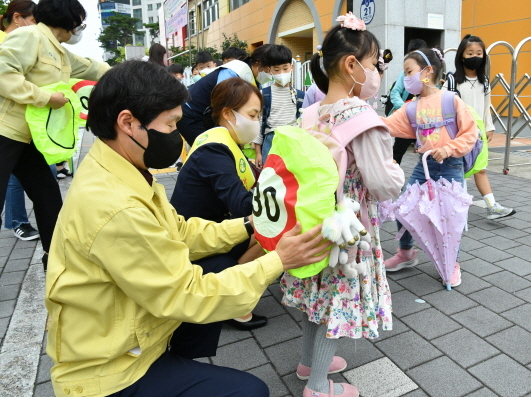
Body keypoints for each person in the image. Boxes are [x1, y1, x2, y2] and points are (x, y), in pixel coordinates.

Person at [45, 60, 331, 397]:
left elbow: (178, 231)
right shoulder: (115, 206)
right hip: (109, 371)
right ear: (127, 122)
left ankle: (177, 363)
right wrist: (278, 262)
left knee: (217, 265)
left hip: (131, 333)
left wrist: (246, 225)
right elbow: (186, 294)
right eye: (171, 125)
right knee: (250, 392)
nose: (177, 136)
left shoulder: (121, 167)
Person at [282, 13, 404, 397]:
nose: (377, 73)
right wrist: (397, 170)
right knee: (336, 301)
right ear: (351, 65)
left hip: (313, 221)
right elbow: (384, 185)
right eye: (374, 66)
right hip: (349, 230)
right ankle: (319, 387)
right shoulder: (363, 118)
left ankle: (308, 363)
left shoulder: (311, 113)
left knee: (317, 296)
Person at [0, 0, 109, 269]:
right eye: (80, 22)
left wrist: (132, 73)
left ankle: (56, 256)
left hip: (26, 138)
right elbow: (3, 70)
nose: (80, 29)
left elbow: (90, 67)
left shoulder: (58, 51)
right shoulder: (30, 35)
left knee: (47, 193)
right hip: (4, 132)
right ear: (68, 19)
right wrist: (45, 97)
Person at [170, 79, 267, 359]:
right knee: (272, 232)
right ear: (227, 114)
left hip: (208, 228)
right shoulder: (216, 150)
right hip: (193, 243)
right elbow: (242, 206)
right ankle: (232, 299)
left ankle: (233, 288)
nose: (256, 123)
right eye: (252, 115)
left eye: (258, 116)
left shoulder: (222, 142)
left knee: (264, 229)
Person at [383, 48, 478, 283]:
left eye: (409, 71)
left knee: (451, 217)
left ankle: (451, 262)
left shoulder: (450, 100)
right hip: (423, 166)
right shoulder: (412, 106)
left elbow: (470, 134)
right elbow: (385, 125)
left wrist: (448, 149)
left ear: (427, 72)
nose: (406, 78)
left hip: (451, 165)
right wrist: (357, 117)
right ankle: (406, 252)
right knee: (404, 207)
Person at [448, 34, 516, 220]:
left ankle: (492, 206)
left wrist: (489, 126)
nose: (475, 56)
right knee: (457, 170)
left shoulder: (484, 81)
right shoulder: (452, 81)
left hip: (480, 134)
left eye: (479, 53)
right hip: (460, 134)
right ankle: (452, 208)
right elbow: (450, 109)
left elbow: (487, 106)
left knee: (481, 169)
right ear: (461, 55)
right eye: (470, 53)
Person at [177, 44, 273, 145]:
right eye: (270, 69)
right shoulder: (232, 72)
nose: (271, 74)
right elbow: (223, 107)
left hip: (208, 115)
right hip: (192, 116)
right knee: (212, 150)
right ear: (258, 63)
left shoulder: (252, 76)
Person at [0, 0, 40, 241]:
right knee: (16, 179)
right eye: (34, 21)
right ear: (18, 17)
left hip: (27, 123)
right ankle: (17, 221)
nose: (35, 27)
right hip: (8, 125)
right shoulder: (8, 42)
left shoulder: (28, 41)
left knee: (42, 185)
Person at [252, 44, 305, 167]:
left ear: (292, 67)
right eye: (276, 70)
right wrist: (258, 153)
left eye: (285, 68)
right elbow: (259, 124)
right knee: (271, 177)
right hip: (271, 141)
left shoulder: (299, 95)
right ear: (269, 70)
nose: (281, 73)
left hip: (293, 141)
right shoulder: (263, 95)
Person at [387, 39, 427, 164]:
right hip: (406, 119)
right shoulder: (405, 74)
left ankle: (424, 180)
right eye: (412, 55)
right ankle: (392, 180)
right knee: (397, 153)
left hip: (423, 120)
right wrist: (406, 107)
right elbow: (395, 92)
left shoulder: (428, 74)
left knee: (427, 152)